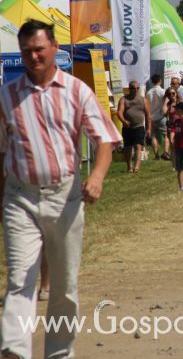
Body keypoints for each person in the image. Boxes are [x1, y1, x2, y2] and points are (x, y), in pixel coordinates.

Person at [0, 19, 121, 359]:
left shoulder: (76, 91)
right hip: (20, 198)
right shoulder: (6, 97)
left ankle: (58, 352)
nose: (33, 57)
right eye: (27, 52)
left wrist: (96, 177)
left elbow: (105, 140)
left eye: (39, 50)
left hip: (65, 197)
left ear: (54, 48)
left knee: (64, 288)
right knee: (20, 278)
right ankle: (15, 349)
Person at [117, 80, 151, 174]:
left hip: (139, 126)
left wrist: (149, 129)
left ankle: (136, 167)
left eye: (136, 88)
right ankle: (129, 167)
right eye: (132, 88)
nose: (134, 90)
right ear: (129, 89)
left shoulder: (143, 100)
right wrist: (124, 121)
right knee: (128, 147)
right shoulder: (124, 99)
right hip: (127, 128)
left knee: (138, 146)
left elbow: (148, 115)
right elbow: (119, 112)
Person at [146, 74, 167, 160]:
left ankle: (156, 155)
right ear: (160, 81)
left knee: (153, 136)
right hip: (161, 116)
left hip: (151, 117)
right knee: (167, 135)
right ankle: (165, 152)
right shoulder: (162, 91)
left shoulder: (148, 92)